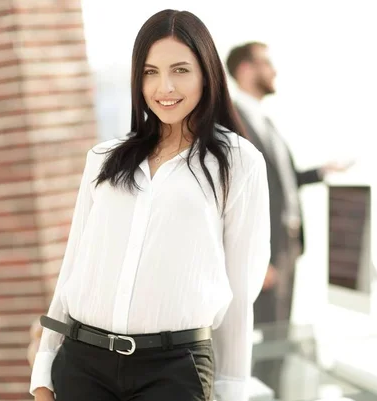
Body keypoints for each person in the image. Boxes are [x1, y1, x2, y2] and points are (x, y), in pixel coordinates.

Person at [30, 10, 270, 401]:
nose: (165, 87)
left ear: (207, 73)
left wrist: (232, 390)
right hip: (82, 365)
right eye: (149, 72)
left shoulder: (239, 162)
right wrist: (44, 368)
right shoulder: (104, 159)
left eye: (180, 70)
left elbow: (240, 292)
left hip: (175, 371)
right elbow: (74, 266)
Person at [225, 42, 350, 397]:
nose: (274, 71)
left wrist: (319, 173)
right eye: (267, 63)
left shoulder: (263, 119)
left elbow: (279, 179)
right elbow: (239, 193)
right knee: (266, 339)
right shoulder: (233, 121)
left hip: (287, 245)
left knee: (279, 333)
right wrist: (256, 257)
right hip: (267, 251)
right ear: (247, 70)